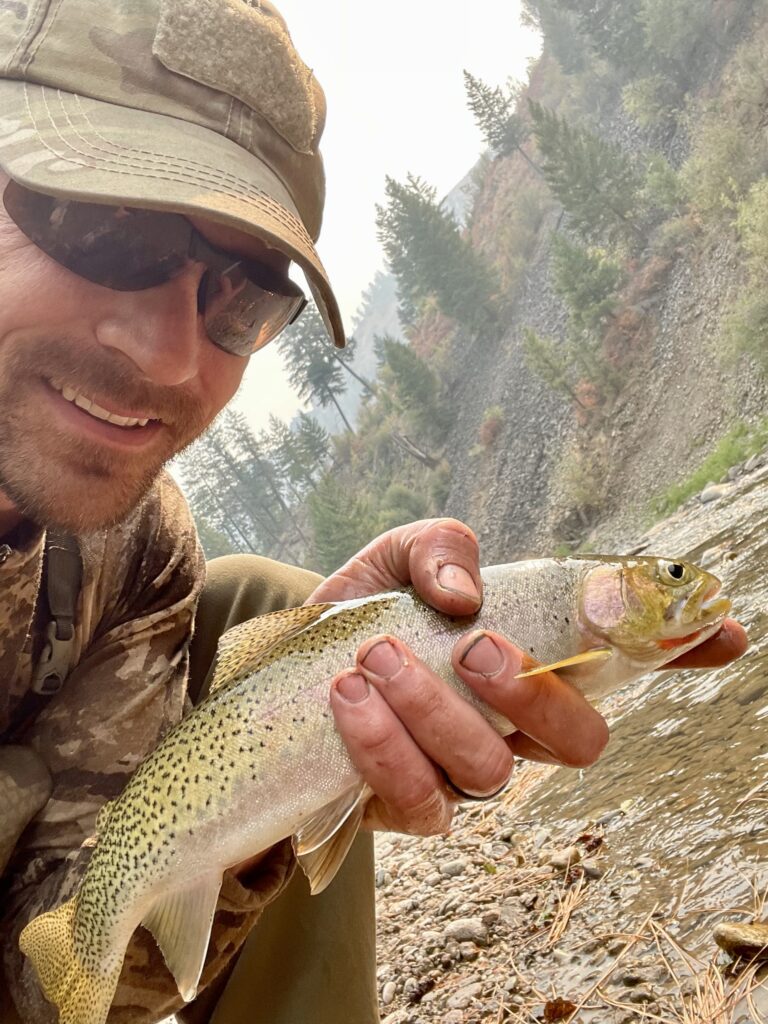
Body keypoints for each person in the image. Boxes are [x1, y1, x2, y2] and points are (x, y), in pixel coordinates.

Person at [0, 1, 747, 1022]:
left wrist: (278, 790)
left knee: (281, 607)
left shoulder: (136, 553)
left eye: (242, 300)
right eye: (105, 227)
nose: (172, 355)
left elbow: (43, 986)